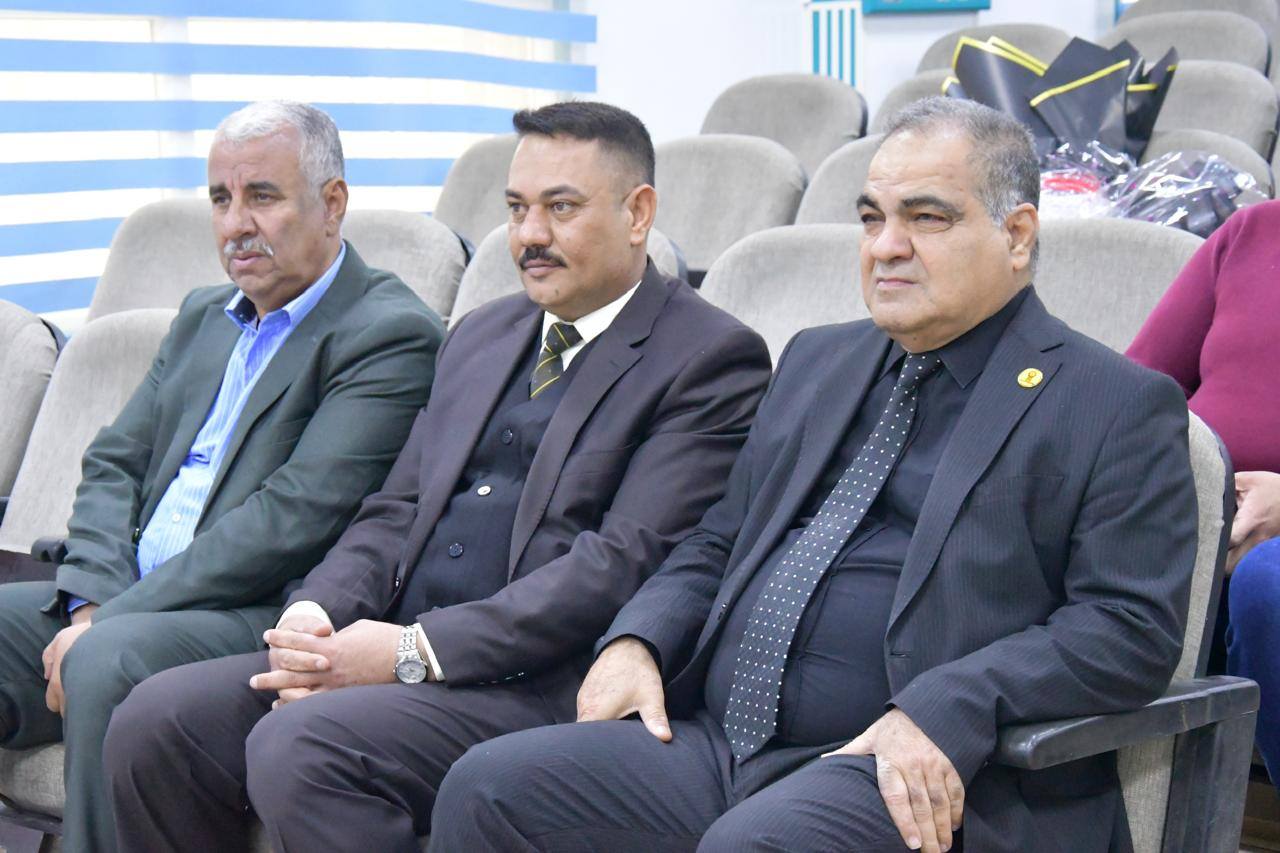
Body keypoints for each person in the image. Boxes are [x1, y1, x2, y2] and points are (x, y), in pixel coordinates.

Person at [428, 97, 1199, 853]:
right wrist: (640, 638)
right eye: (871, 218)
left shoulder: (1111, 402)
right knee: (487, 786)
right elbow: (718, 539)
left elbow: (1128, 626)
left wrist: (949, 702)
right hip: (722, 744)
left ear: (1017, 234)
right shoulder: (817, 360)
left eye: (926, 218)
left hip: (924, 767)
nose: (886, 246)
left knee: (753, 844)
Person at [103, 101, 772, 851]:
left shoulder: (709, 358)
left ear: (638, 212)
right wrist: (316, 615)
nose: (530, 235)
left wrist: (411, 651)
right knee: (156, 721)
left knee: (302, 744)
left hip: (539, 683)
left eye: (560, 208)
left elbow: (620, 563)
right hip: (394, 650)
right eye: (516, 209)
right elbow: (396, 508)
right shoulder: (481, 334)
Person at [0, 100, 442, 852]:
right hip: (127, 599)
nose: (236, 223)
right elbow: (114, 463)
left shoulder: (390, 334)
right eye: (220, 198)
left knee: (105, 659)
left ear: (332, 203)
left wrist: (111, 622)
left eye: (262, 196)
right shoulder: (206, 314)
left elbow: (289, 520)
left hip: (254, 611)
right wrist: (93, 602)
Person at [1127, 201, 1280, 784]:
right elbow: (1138, 390)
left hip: (1262, 560)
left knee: (1267, 581)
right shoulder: (1254, 230)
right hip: (1188, 521)